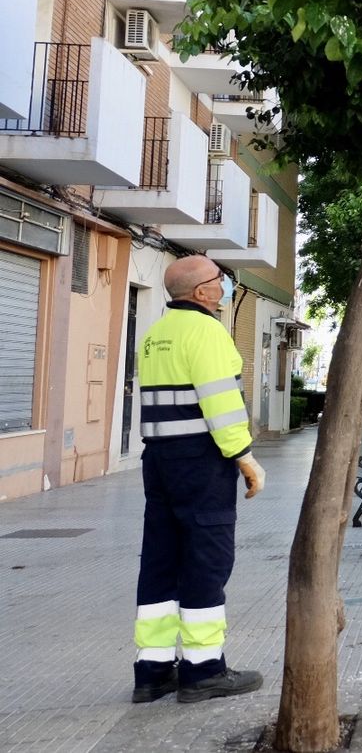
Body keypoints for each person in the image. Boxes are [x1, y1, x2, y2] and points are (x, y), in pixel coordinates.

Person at [131, 255, 267, 704]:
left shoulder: (155, 335)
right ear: (203, 292)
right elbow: (221, 405)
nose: (225, 285)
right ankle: (204, 669)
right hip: (202, 461)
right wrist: (245, 457)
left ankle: (152, 671)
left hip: (160, 461)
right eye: (220, 279)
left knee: (161, 560)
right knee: (207, 558)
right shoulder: (207, 332)